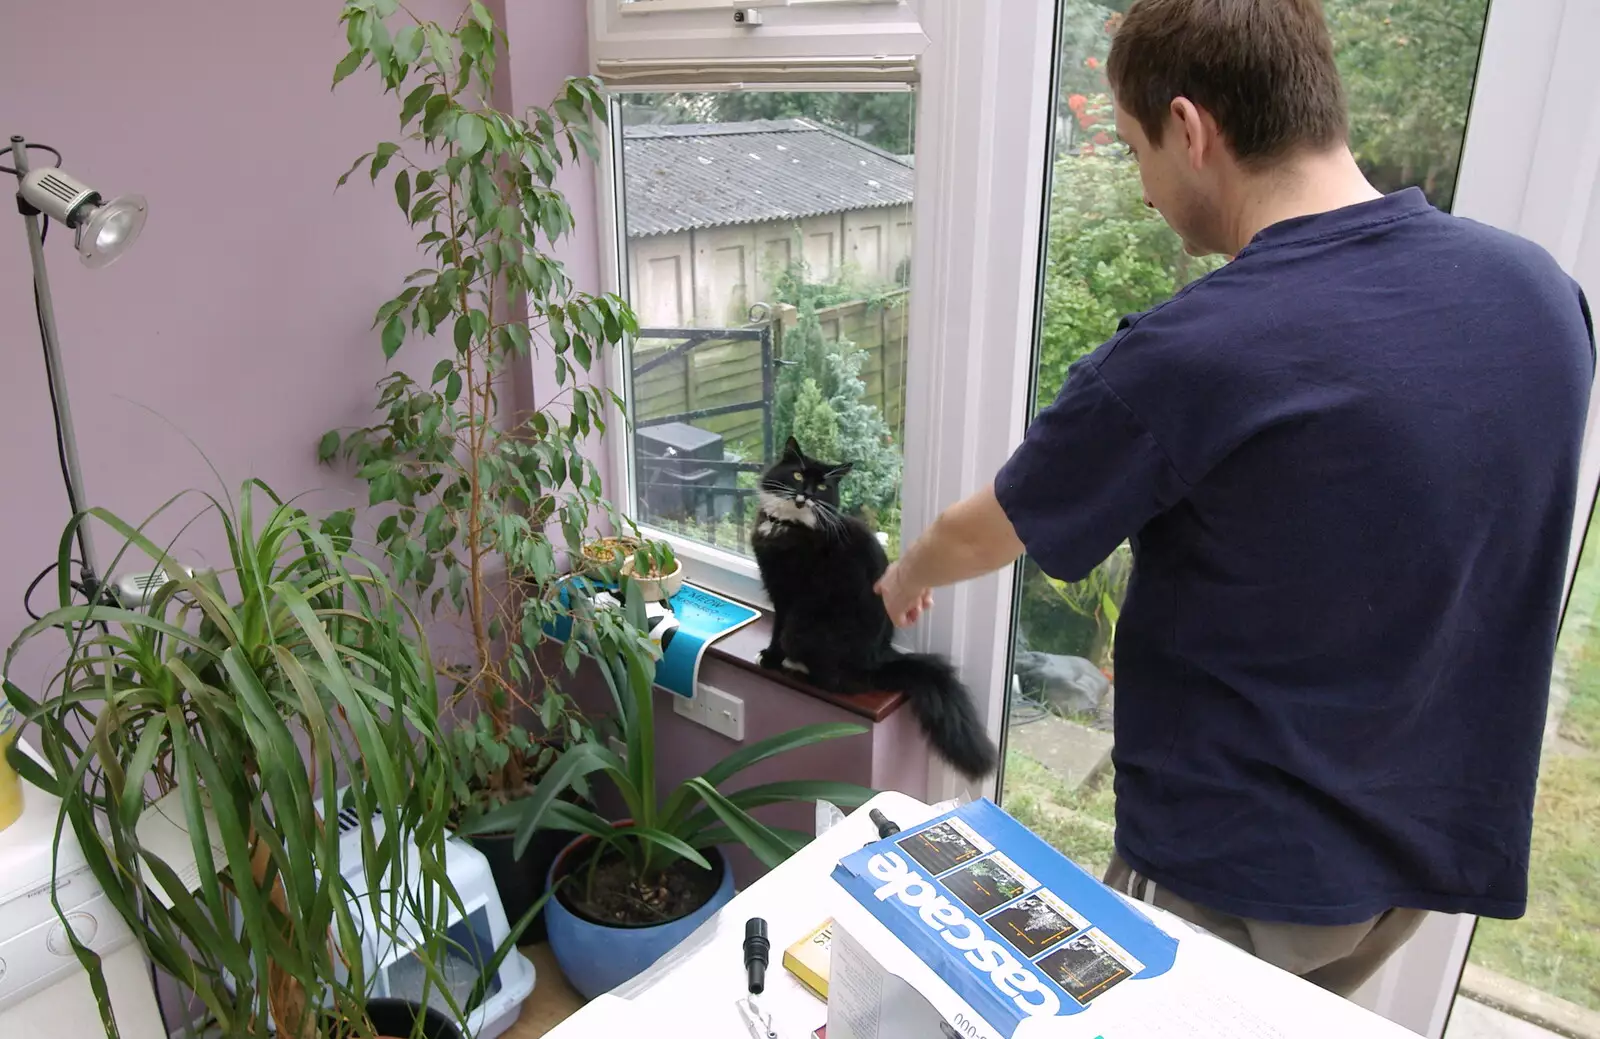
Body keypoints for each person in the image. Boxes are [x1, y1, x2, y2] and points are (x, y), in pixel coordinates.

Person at [876, 0, 1595, 996]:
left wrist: (900, 576)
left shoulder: (1197, 351)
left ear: (1190, 127)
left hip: (1243, 871)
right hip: (1419, 859)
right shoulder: (1539, 296)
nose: (1143, 194)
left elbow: (988, 527)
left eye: (1134, 152)